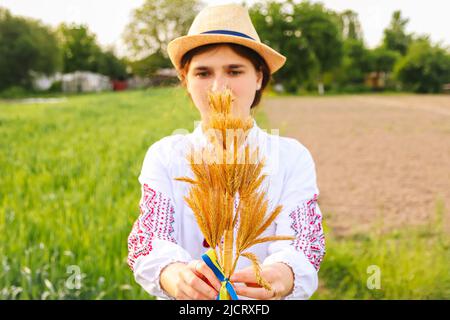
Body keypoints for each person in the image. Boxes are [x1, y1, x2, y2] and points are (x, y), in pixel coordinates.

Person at [127, 3, 325, 300]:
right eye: (203, 73)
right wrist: (172, 273)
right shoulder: (166, 156)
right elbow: (149, 239)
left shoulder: (291, 157)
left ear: (259, 77)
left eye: (234, 71)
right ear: (186, 81)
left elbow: (304, 242)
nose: (219, 87)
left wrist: (284, 273)